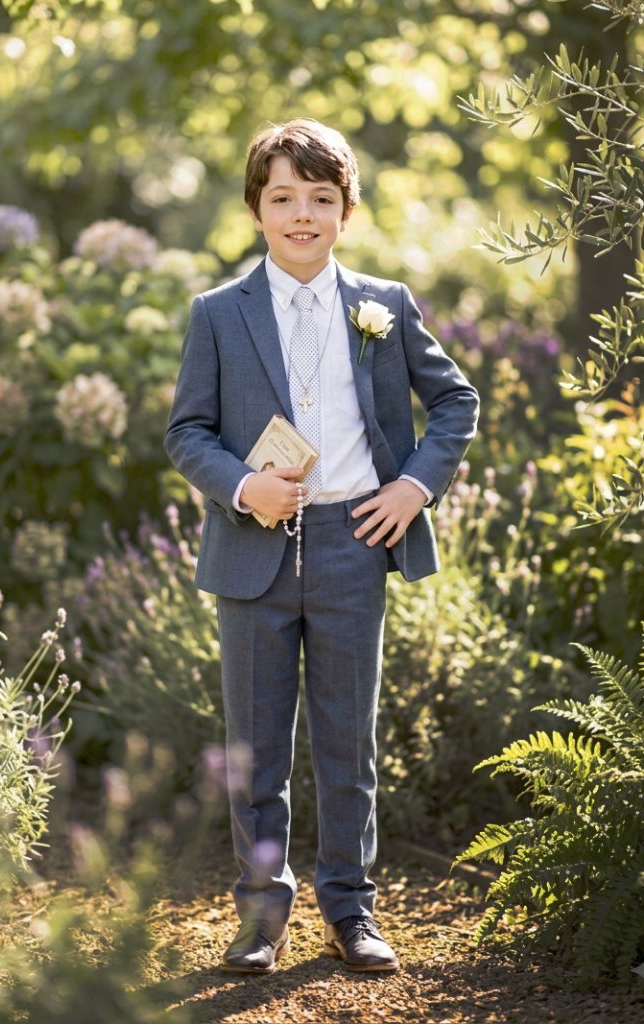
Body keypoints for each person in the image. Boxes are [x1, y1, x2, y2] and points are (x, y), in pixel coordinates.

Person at [164, 118, 479, 974]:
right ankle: (262, 915)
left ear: (346, 210)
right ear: (256, 209)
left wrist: (413, 488)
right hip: (253, 548)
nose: (302, 214)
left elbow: (456, 403)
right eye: (283, 198)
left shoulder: (384, 305)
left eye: (321, 198)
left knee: (348, 743)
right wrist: (242, 486)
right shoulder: (219, 314)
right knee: (257, 749)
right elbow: (187, 430)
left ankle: (351, 909)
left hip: (352, 542)